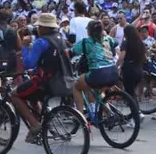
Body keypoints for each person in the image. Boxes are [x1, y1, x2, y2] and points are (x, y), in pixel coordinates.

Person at [13, 13, 72, 143]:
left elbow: (28, 63)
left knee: (14, 94)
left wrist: (24, 46)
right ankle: (40, 123)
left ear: (45, 27)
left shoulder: (41, 42)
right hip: (62, 80)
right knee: (32, 97)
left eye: (39, 26)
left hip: (44, 82)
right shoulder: (60, 38)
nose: (38, 29)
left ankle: (34, 124)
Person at [72, 20, 119, 114]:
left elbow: (74, 50)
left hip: (97, 73)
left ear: (89, 31)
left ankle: (80, 117)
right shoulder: (107, 39)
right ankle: (110, 113)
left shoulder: (86, 42)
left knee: (76, 87)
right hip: (113, 72)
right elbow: (116, 42)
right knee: (97, 90)